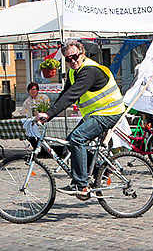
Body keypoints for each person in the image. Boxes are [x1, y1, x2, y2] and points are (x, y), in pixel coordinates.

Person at [35, 40, 125, 196]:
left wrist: (49, 114)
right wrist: (49, 113)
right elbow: (65, 94)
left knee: (78, 138)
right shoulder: (72, 72)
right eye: (68, 59)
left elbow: (72, 95)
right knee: (71, 141)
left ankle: (81, 185)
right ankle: (101, 170)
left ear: (82, 54)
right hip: (96, 113)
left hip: (110, 112)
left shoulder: (89, 71)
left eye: (75, 56)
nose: (72, 61)